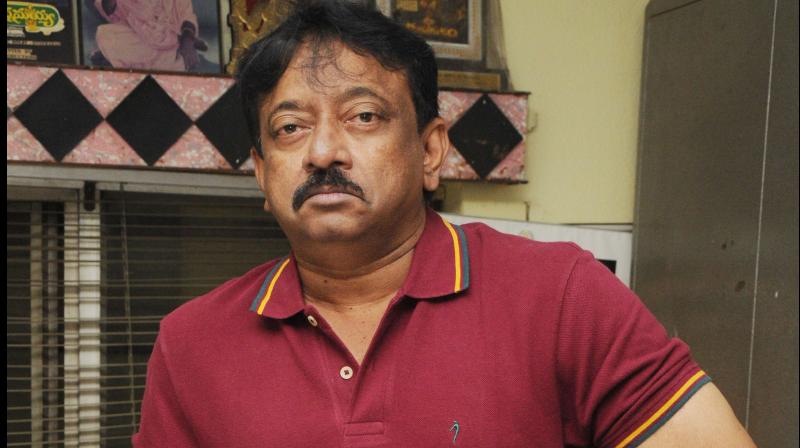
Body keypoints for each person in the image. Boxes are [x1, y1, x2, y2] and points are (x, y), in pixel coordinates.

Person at [133, 2, 756, 446]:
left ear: (431, 151)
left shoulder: (561, 295)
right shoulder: (191, 345)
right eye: (290, 128)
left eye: (363, 116)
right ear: (263, 174)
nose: (323, 152)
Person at [91, 0, 207, 71]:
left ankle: (118, 59)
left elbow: (187, 16)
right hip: (140, 37)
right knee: (105, 35)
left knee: (177, 60)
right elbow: (109, 10)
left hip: (169, 39)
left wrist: (187, 41)